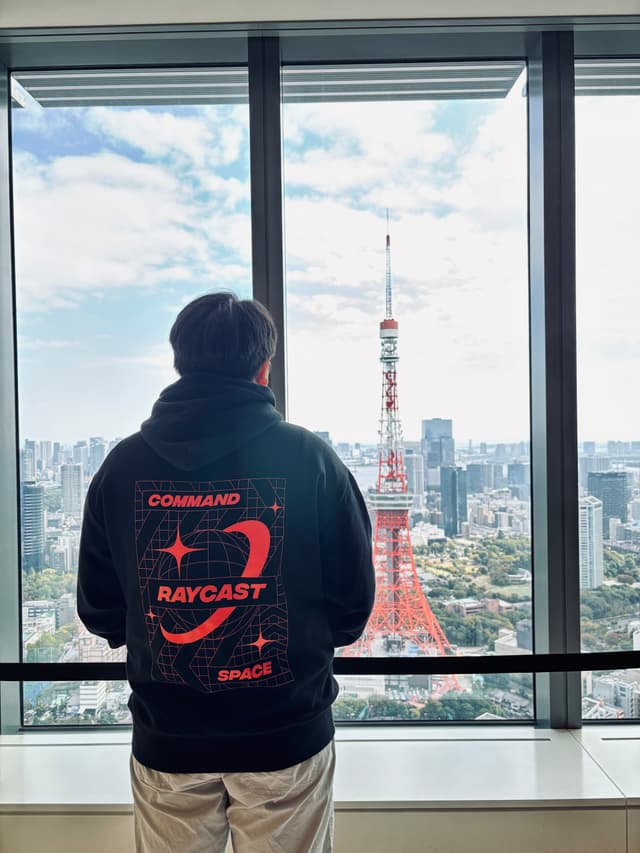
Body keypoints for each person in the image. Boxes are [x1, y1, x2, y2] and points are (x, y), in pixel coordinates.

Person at [77, 292, 375, 853]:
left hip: (169, 735)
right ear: (264, 368)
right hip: (286, 732)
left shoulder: (122, 467)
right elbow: (352, 605)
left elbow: (100, 610)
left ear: (178, 363)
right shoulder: (310, 459)